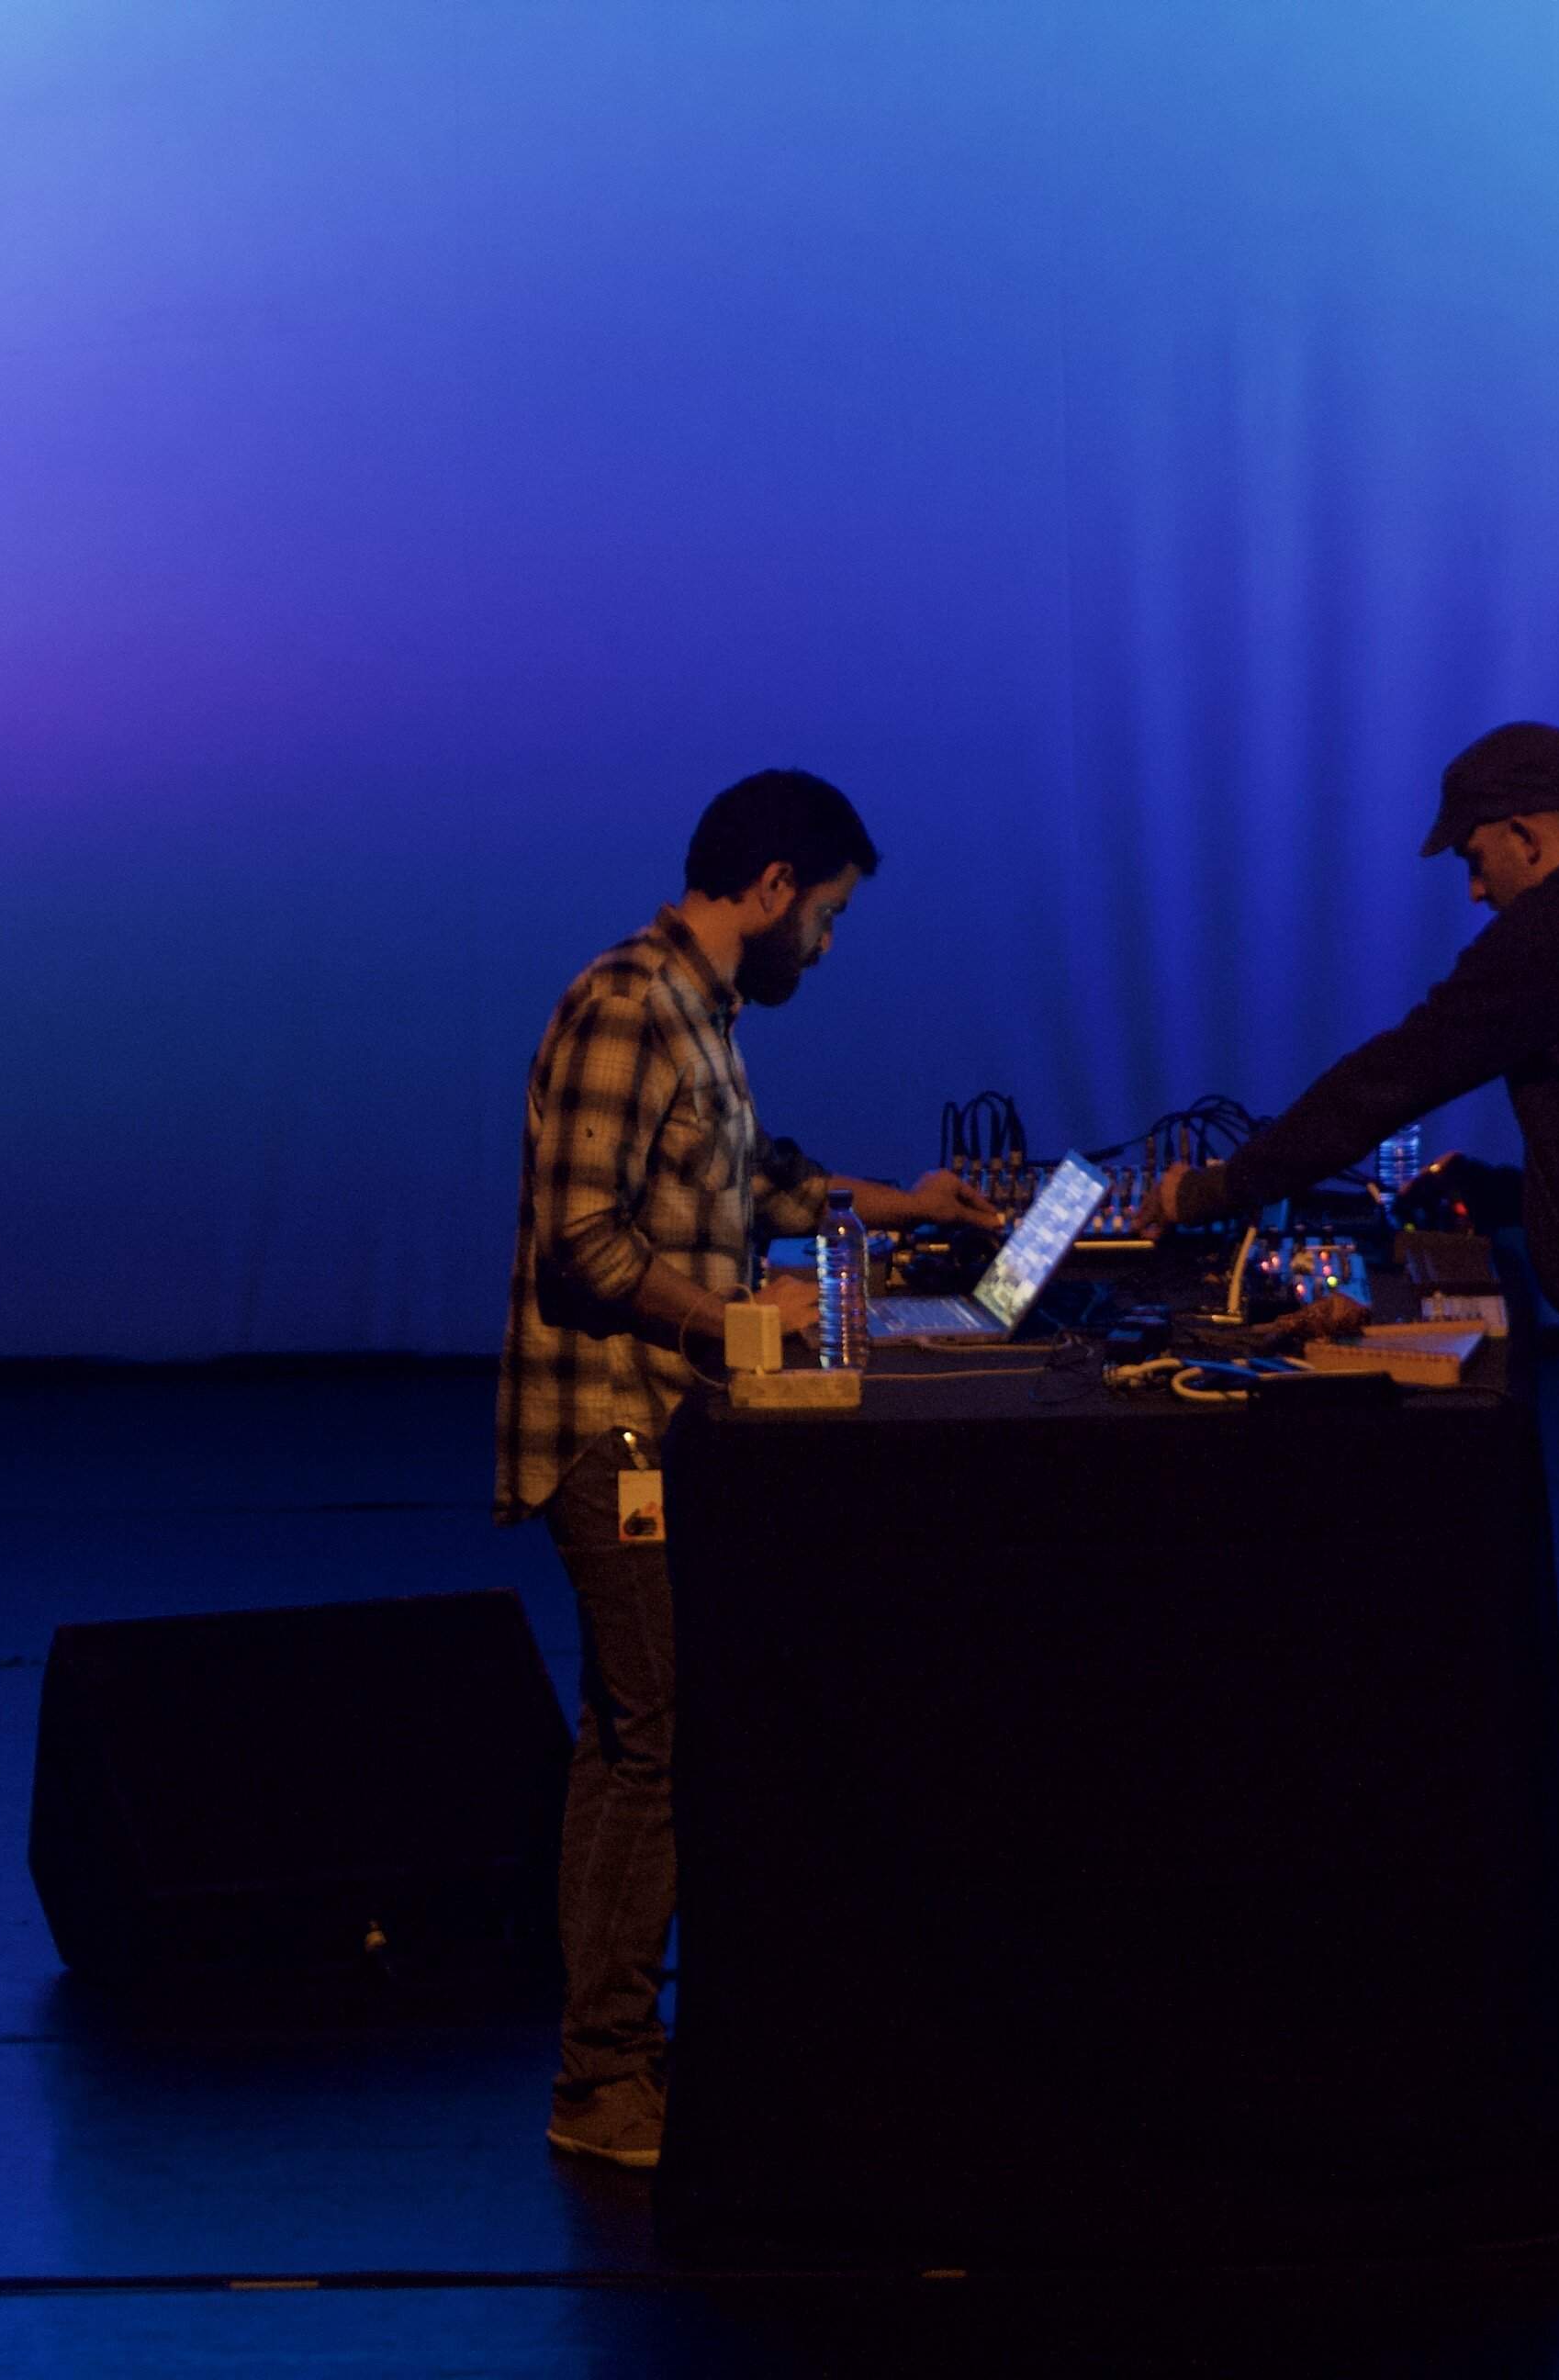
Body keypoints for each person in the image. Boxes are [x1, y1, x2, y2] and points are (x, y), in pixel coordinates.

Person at [1148, 721, 1559, 2086]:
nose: (1469, 890)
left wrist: (1218, 1189)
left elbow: (1394, 1071)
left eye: (1472, 860)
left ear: (1520, 831)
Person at [496, 767, 999, 2168]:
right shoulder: (626, 1005)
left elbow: (758, 1183)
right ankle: (601, 2082)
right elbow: (583, 1245)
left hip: (668, 1424)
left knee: (649, 1733)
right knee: (647, 1745)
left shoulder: (700, 1018)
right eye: (827, 918)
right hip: (615, 1434)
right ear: (773, 891)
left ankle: (635, 2054)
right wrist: (738, 1319)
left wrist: (914, 1203)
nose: (826, 950)